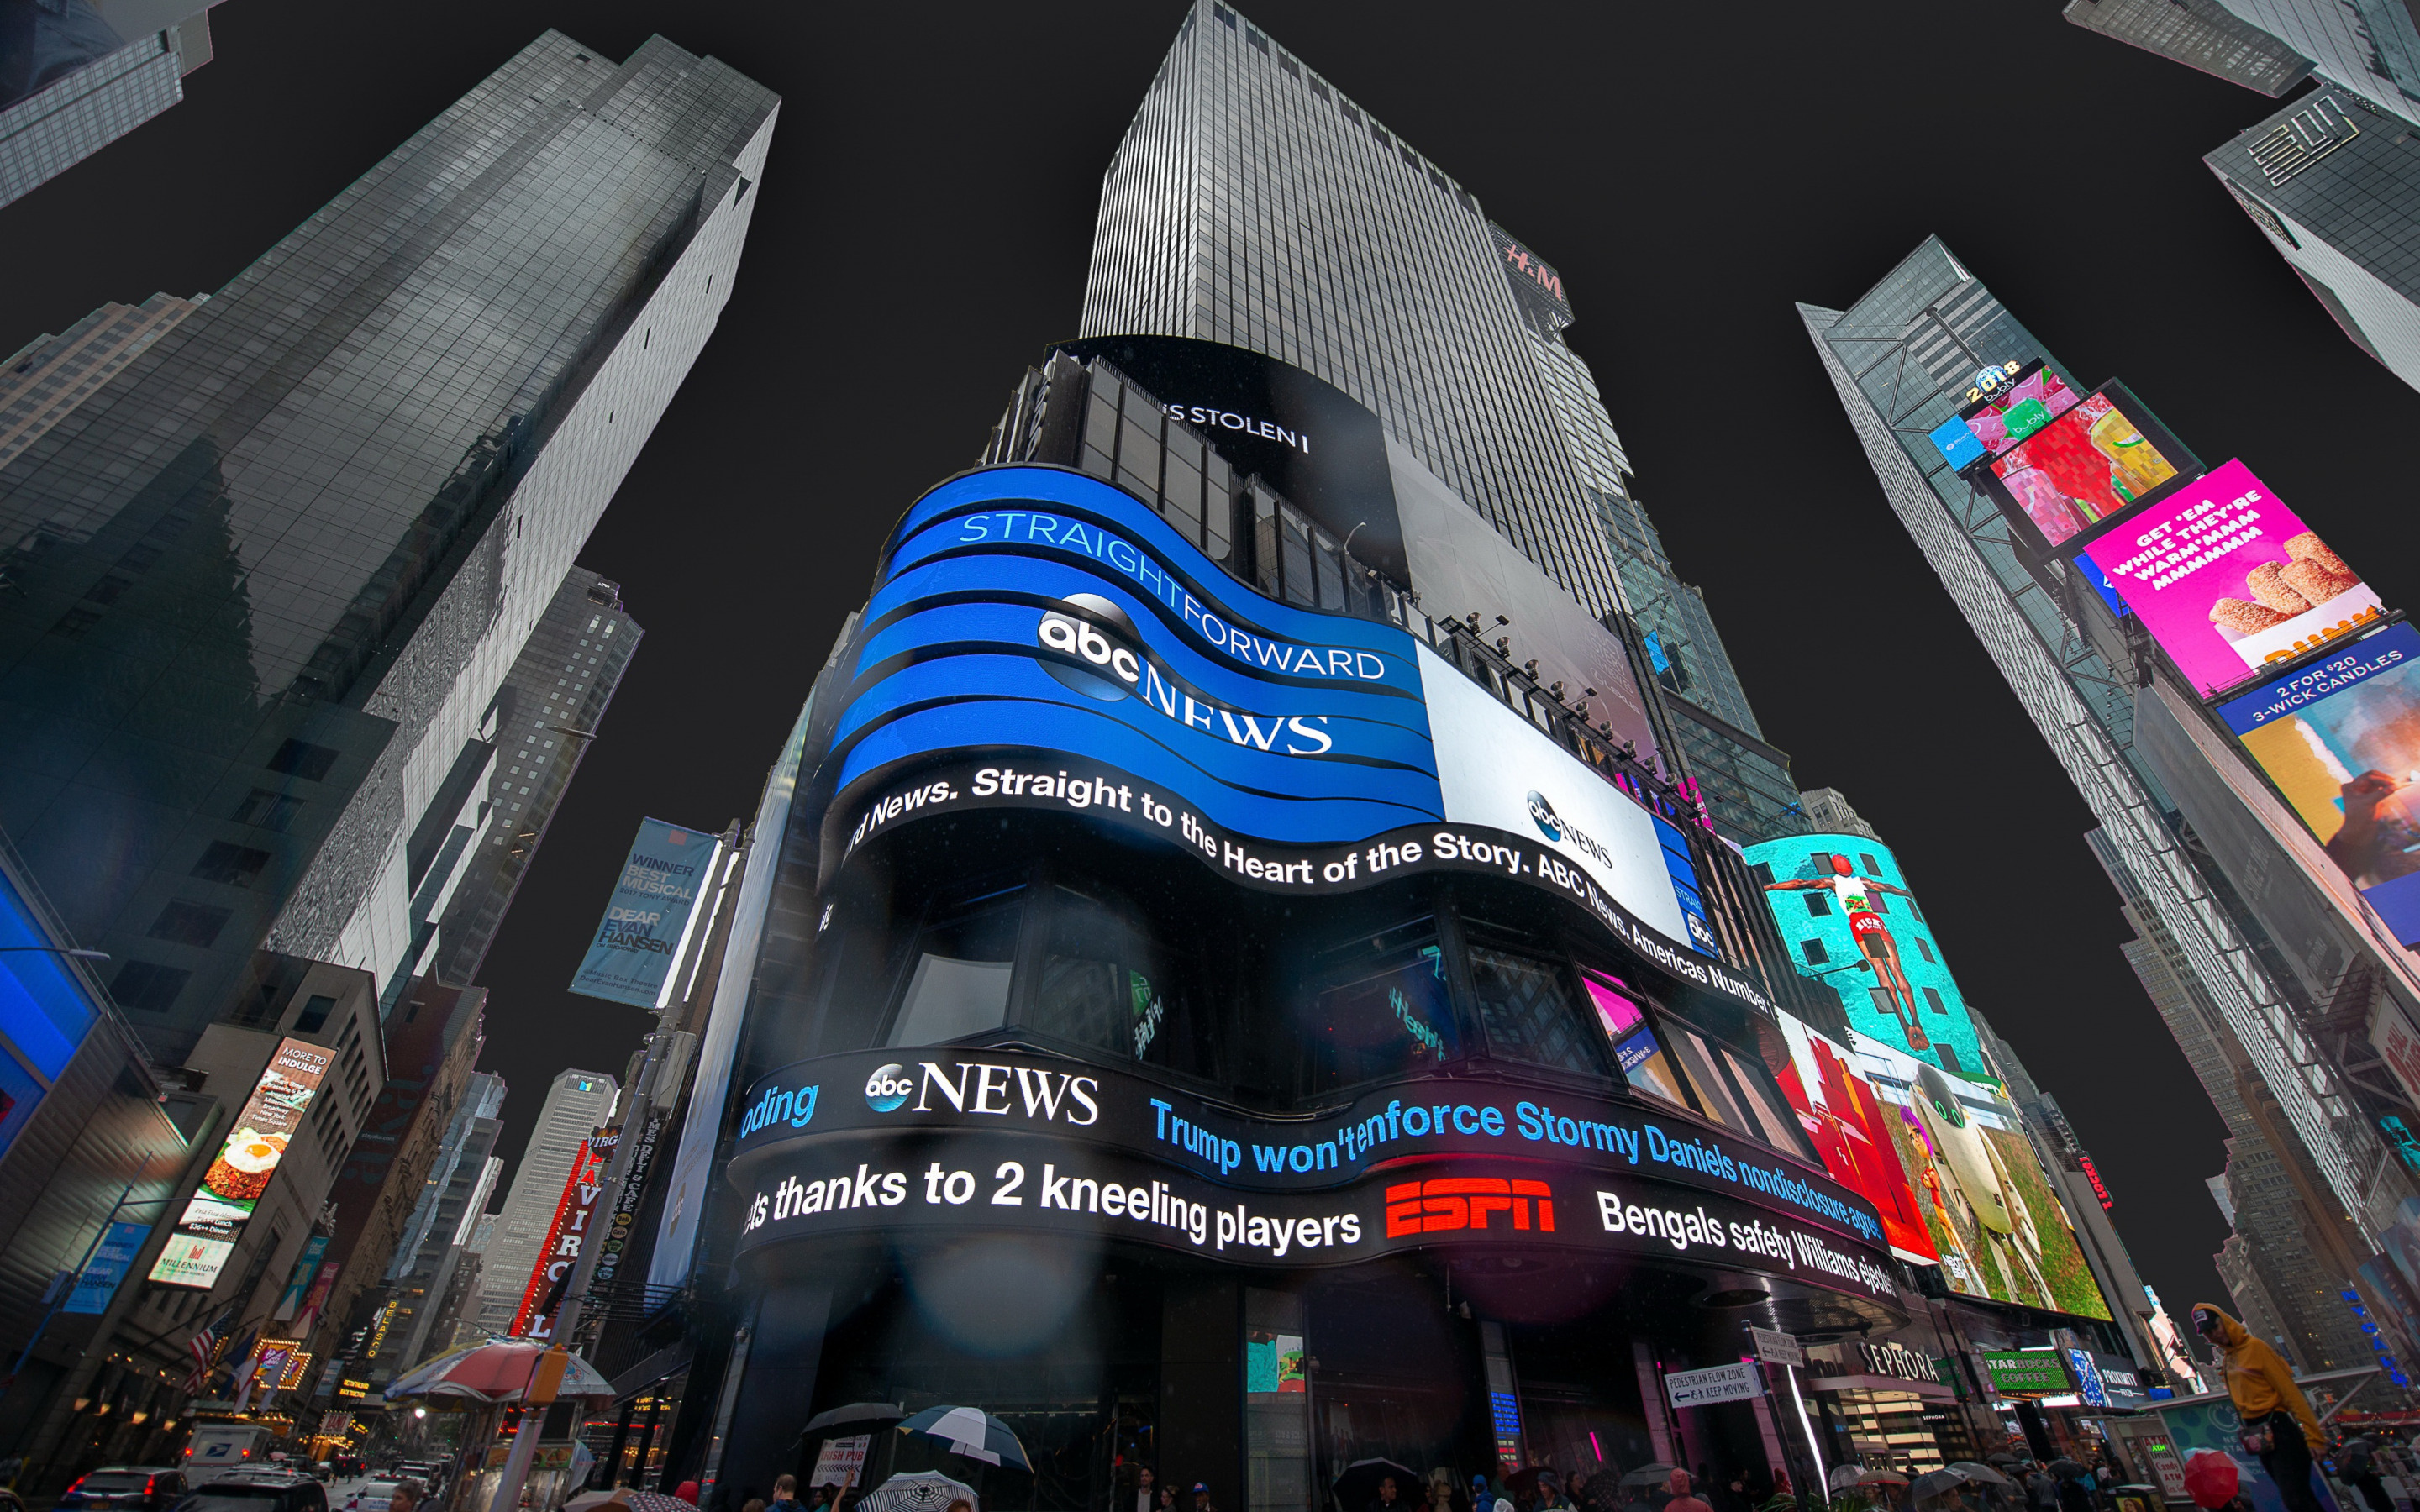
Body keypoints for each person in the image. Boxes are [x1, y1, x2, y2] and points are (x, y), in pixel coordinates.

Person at [2196, 1304, 2327, 1512]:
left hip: (2279, 1428)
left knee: (2296, 1499)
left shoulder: (2255, 1348)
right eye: (2208, 1333)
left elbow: (2290, 1393)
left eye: (2215, 1327)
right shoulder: (2229, 1359)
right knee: (2299, 1499)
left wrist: (2314, 1436)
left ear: (2226, 1322)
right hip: (2259, 1436)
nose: (2214, 1335)